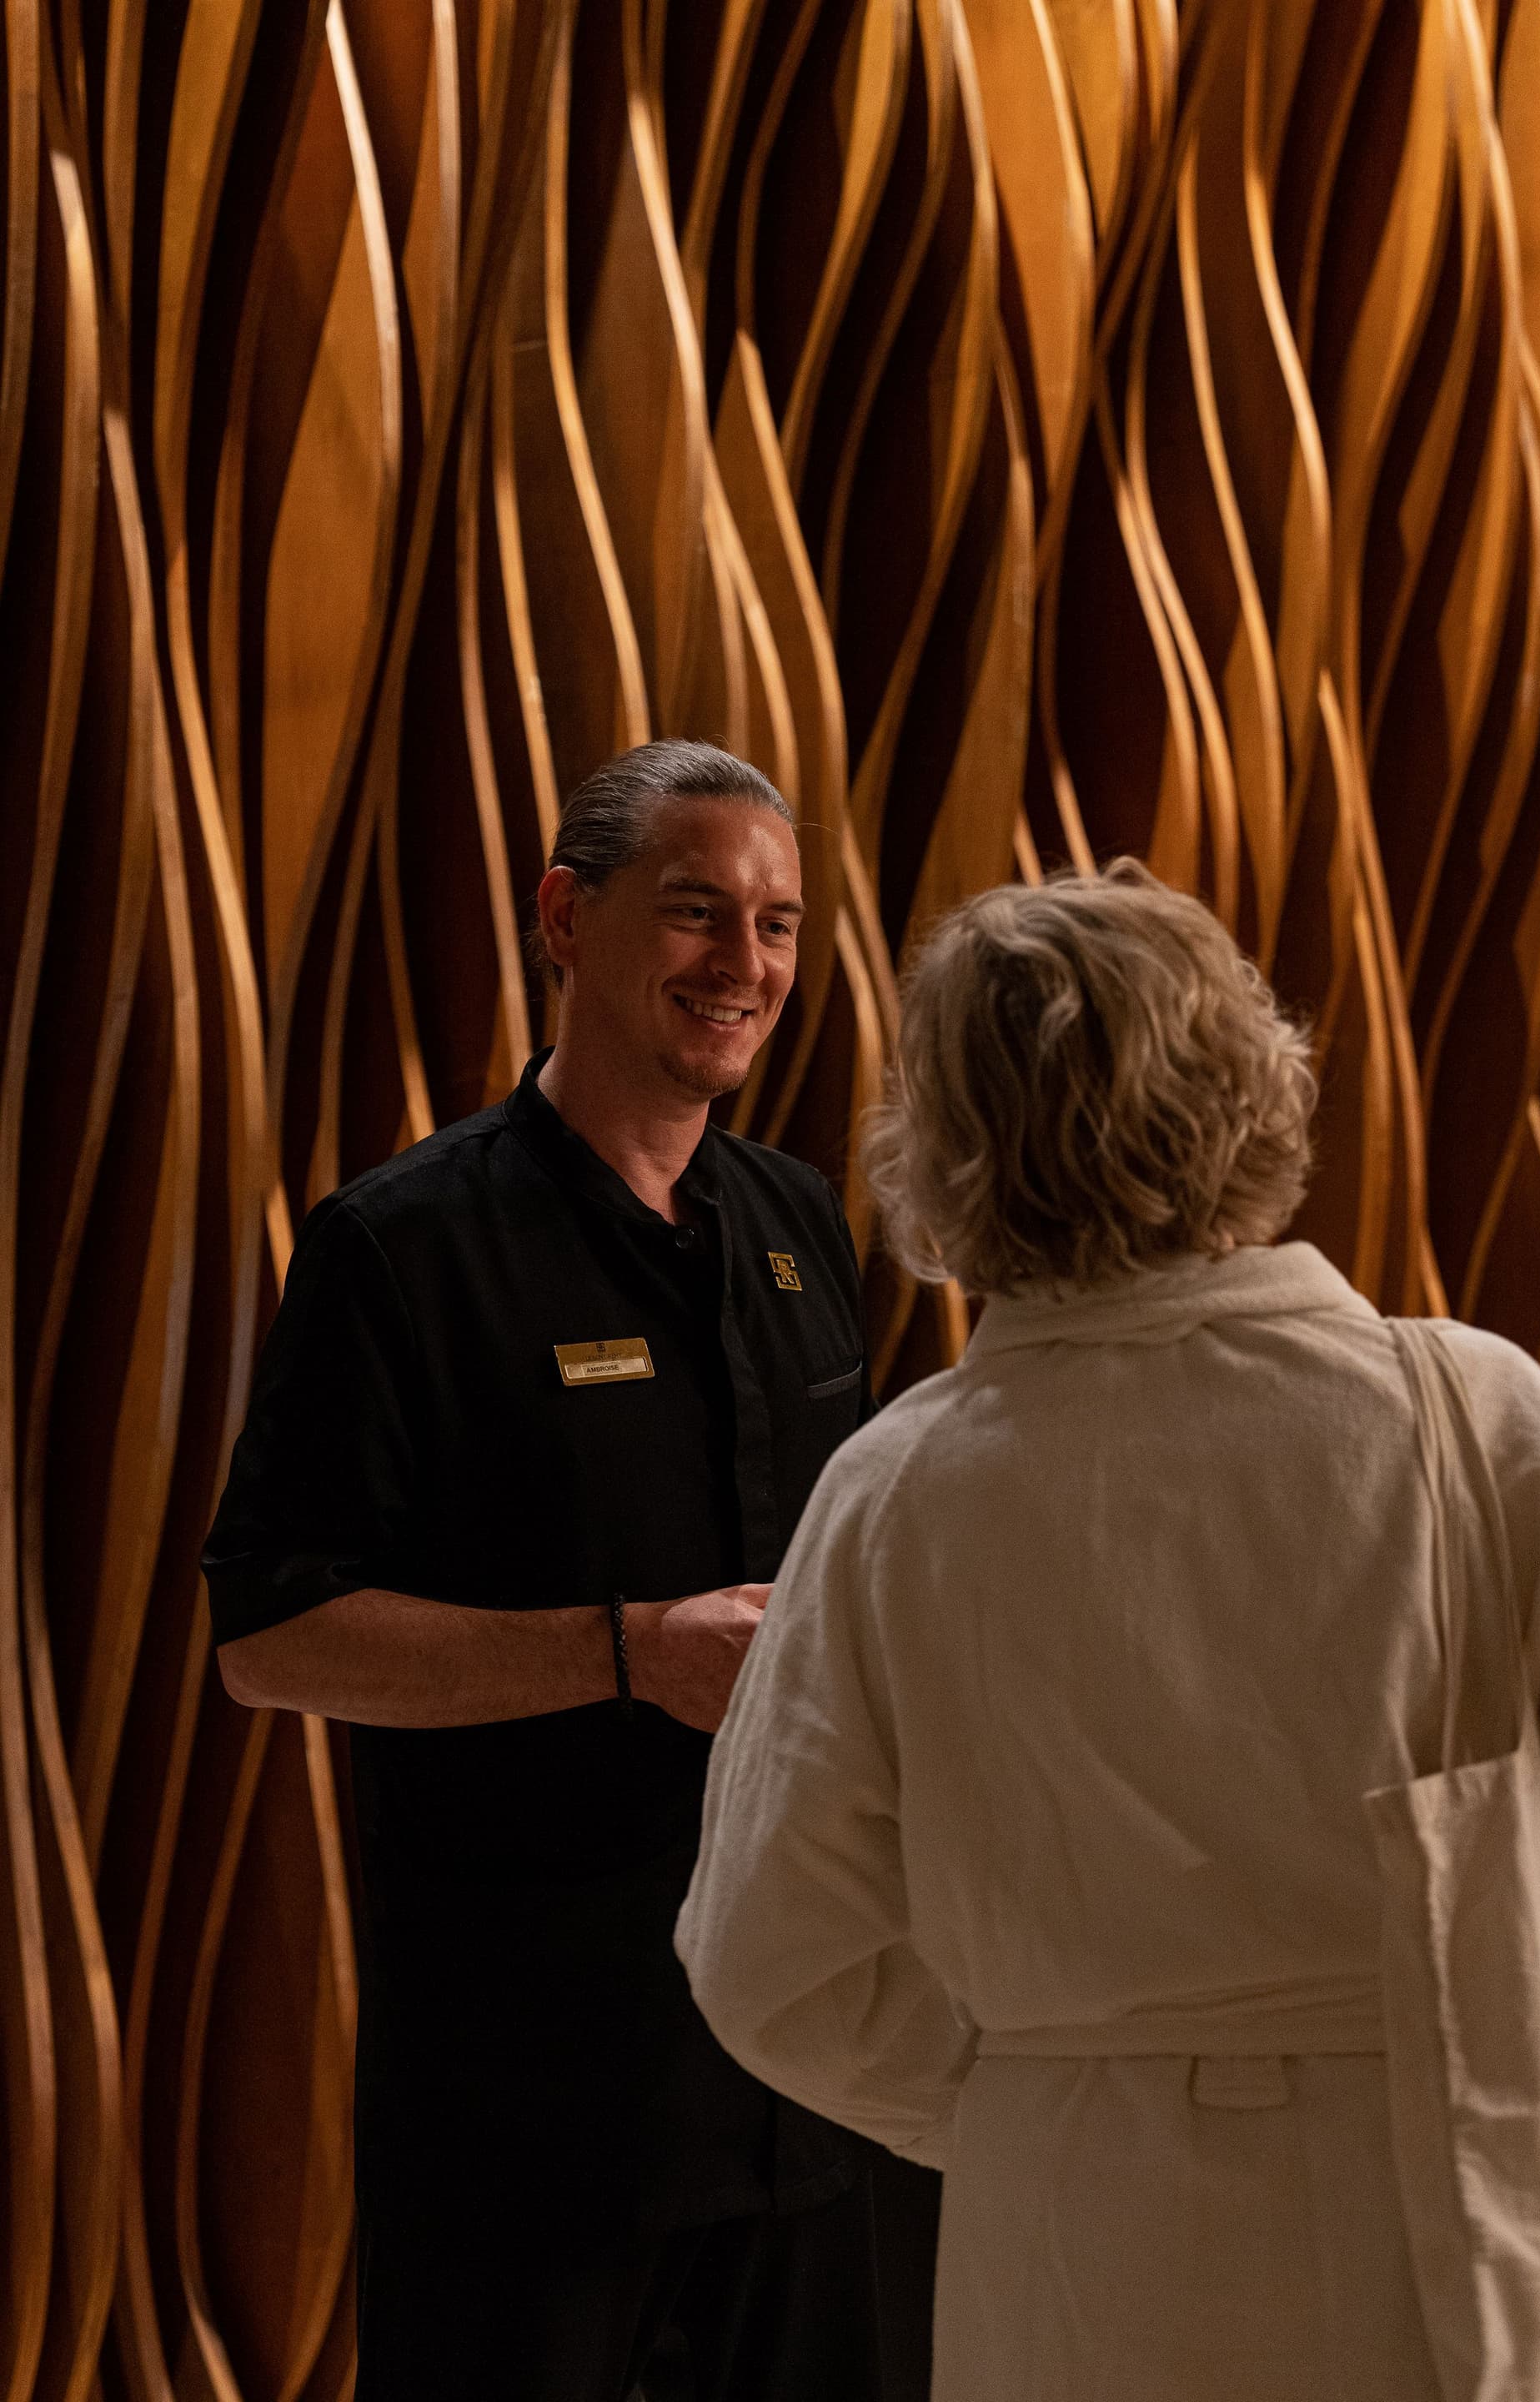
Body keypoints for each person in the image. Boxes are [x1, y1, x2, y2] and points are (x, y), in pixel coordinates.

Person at [675, 860, 1540, 2402]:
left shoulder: (902, 1485)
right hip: (1439, 2183)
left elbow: (769, 1955)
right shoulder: (1470, 1412)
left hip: (1069, 2223)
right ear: (1251, 1078)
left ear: (947, 1139)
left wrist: (1032, 2085)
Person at [203, 740, 939, 2402]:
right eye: (695, 914)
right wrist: (624, 1652)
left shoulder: (799, 1220)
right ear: (563, 917)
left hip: (808, 2080)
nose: (740, 969)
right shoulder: (401, 1246)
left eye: (774, 924)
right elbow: (270, 1635)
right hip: (529, 2121)